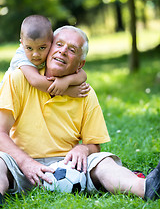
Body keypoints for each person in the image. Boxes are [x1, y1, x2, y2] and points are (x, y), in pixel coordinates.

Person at [0, 25, 160, 206]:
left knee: (103, 161)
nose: (62, 51)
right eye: (58, 44)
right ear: (49, 47)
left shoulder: (84, 93)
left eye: (72, 50)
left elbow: (94, 145)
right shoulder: (19, 78)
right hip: (20, 165)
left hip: (69, 167)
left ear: (80, 64)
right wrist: (26, 163)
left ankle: (147, 187)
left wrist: (83, 149)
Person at [0, 15, 88, 96]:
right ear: (22, 44)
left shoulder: (50, 50)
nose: (35, 54)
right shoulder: (21, 56)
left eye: (42, 48)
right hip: (5, 96)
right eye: (29, 48)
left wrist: (66, 81)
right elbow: (36, 81)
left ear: (51, 42)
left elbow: (83, 75)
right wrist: (67, 91)